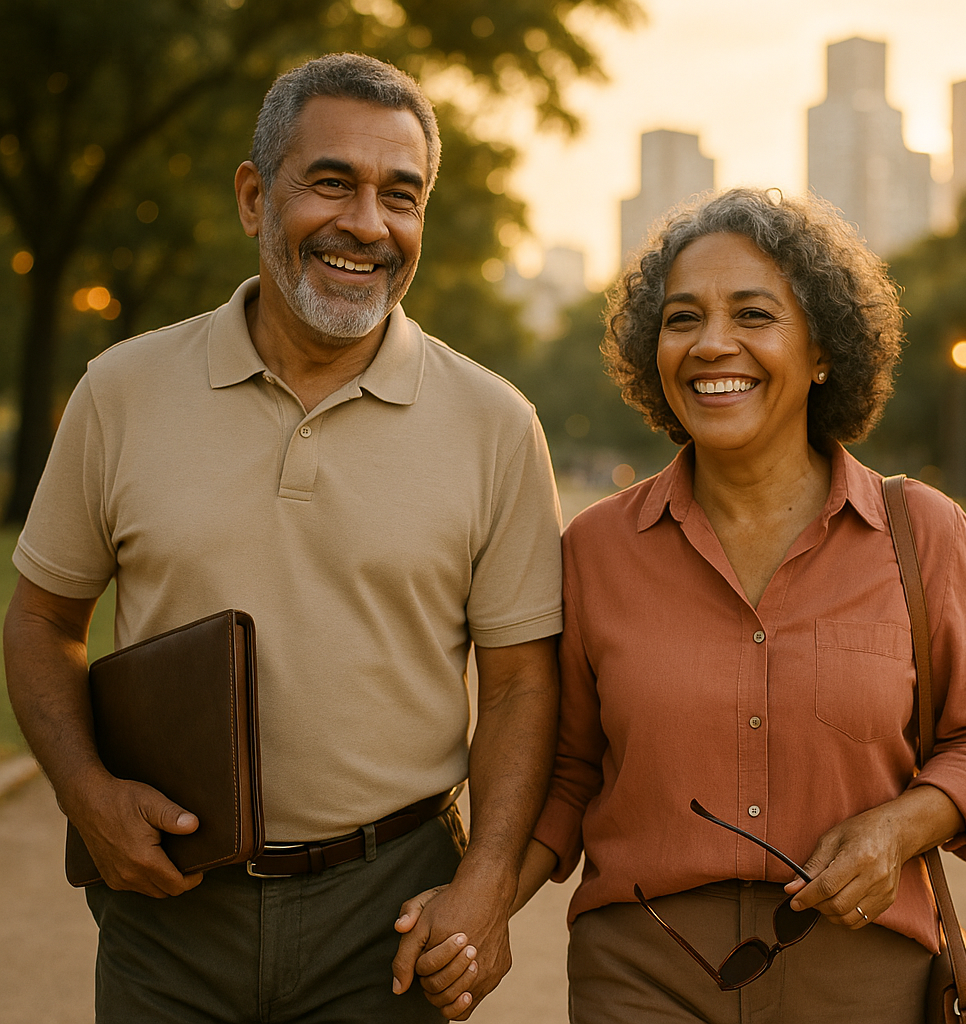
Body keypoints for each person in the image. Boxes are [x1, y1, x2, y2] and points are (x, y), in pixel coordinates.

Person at [2, 53, 563, 1023]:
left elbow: (519, 682)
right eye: (332, 182)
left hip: (386, 911)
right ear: (254, 196)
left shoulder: (496, 423)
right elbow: (43, 618)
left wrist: (488, 878)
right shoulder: (120, 392)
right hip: (168, 906)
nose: (368, 224)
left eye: (402, 195)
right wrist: (85, 791)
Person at [402, 188, 966, 1023]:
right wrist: (479, 908)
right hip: (643, 973)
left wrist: (899, 829)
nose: (712, 344)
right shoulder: (595, 549)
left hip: (867, 969)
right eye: (682, 318)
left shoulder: (922, 533)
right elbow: (573, 771)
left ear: (823, 352)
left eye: (755, 315)